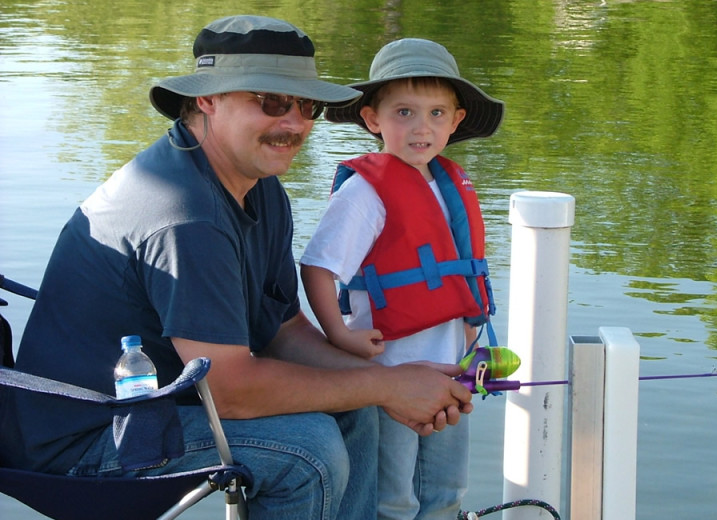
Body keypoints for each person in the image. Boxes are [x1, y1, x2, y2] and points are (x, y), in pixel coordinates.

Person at [0, 16, 474, 520]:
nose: (294, 123)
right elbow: (231, 391)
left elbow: (284, 332)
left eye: (306, 105)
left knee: (359, 408)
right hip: (88, 442)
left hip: (164, 407)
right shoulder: (184, 214)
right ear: (207, 98)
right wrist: (386, 386)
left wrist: (393, 379)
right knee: (309, 450)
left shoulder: (259, 186)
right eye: (271, 102)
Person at [300, 38, 504, 520]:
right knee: (392, 498)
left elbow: (459, 277)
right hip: (390, 376)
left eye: (436, 114)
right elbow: (318, 268)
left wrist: (472, 335)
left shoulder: (451, 186)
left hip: (451, 370)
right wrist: (339, 335)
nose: (421, 127)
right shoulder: (366, 193)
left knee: (446, 491)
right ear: (373, 120)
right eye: (405, 112)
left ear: (456, 121)